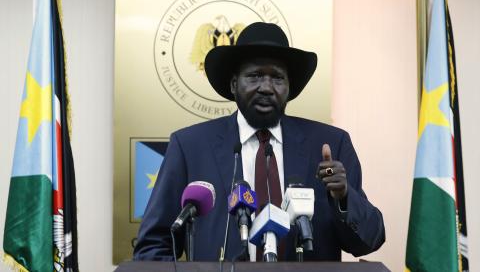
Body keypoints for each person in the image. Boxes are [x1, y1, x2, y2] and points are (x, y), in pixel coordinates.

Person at [133, 22, 385, 261]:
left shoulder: (329, 145)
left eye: (277, 78)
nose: (266, 87)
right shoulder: (190, 146)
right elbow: (153, 245)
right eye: (254, 76)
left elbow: (369, 241)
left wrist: (343, 197)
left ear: (289, 87)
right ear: (234, 84)